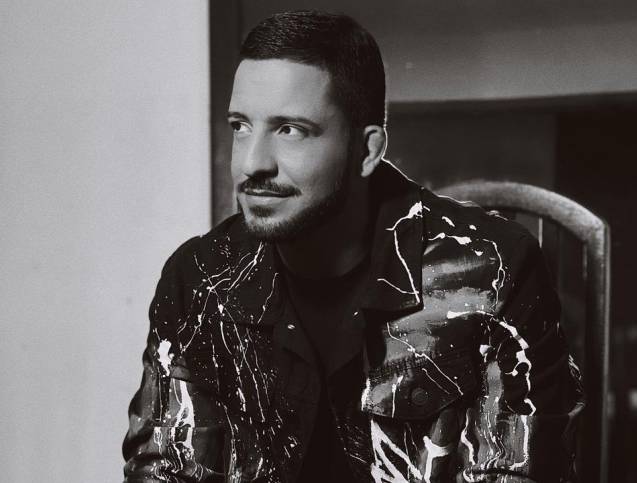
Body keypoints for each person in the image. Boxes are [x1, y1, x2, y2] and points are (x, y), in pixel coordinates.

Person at [123, 10, 584, 483]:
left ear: (367, 150)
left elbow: (519, 472)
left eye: (290, 130)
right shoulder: (201, 277)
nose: (252, 163)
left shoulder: (490, 270)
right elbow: (163, 469)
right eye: (241, 125)